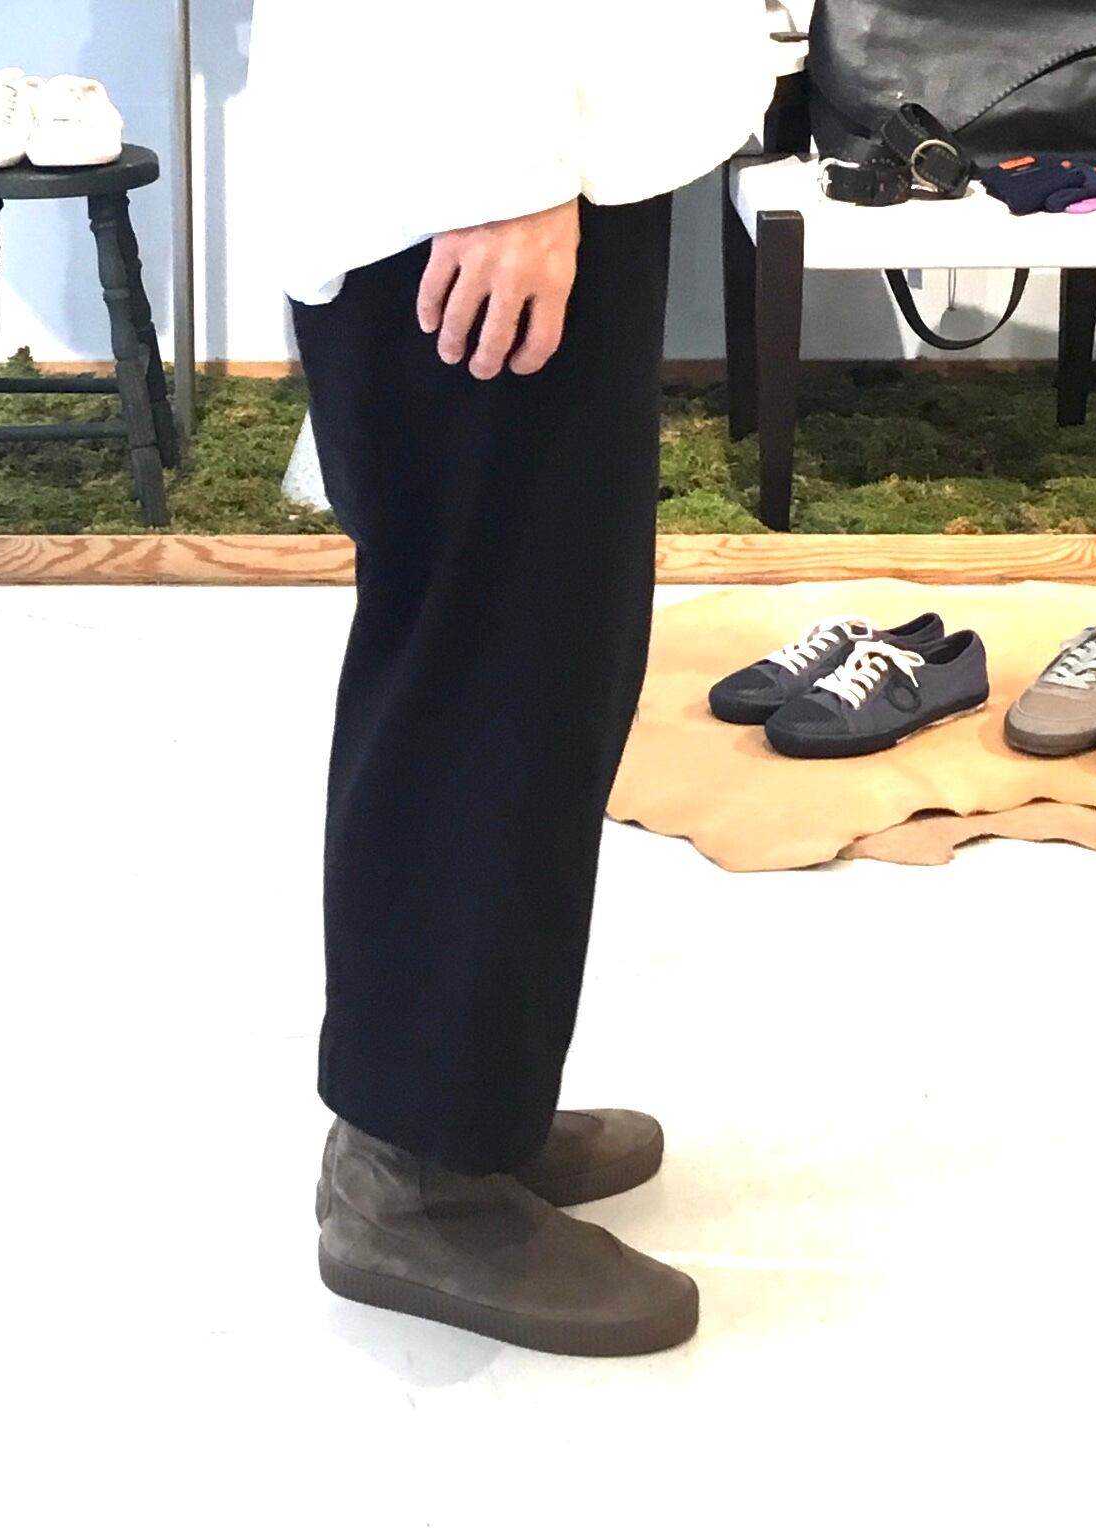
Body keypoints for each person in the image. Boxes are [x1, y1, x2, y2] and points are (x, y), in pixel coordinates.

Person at [248, 2, 790, 1356]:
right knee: (483, 671)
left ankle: (465, 1103)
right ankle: (416, 1175)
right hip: (471, 173)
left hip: (541, 146)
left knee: (540, 657)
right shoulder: (493, 171)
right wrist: (498, 169)